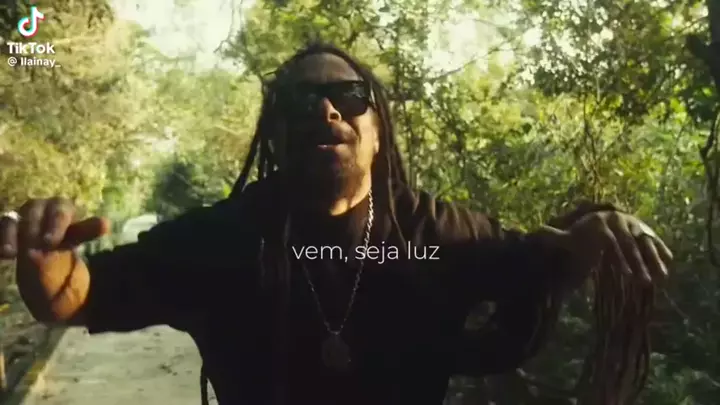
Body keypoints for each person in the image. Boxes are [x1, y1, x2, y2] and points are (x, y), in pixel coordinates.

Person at [0, 43, 672, 405]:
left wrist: (599, 229)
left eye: (349, 96)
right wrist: (46, 261)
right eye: (302, 101)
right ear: (274, 135)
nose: (327, 111)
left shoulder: (436, 231)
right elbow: (79, 296)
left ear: (378, 131)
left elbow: (540, 260)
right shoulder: (220, 239)